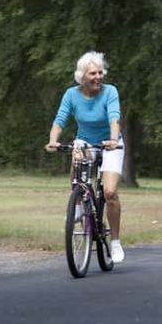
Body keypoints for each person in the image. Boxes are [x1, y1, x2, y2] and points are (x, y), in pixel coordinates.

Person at [45, 51, 126, 263]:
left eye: (100, 72)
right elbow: (60, 119)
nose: (98, 77)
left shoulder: (110, 92)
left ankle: (115, 242)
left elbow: (114, 117)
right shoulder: (71, 94)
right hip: (86, 142)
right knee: (77, 153)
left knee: (110, 192)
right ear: (82, 76)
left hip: (110, 144)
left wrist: (113, 139)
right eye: (93, 73)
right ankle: (79, 206)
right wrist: (53, 140)